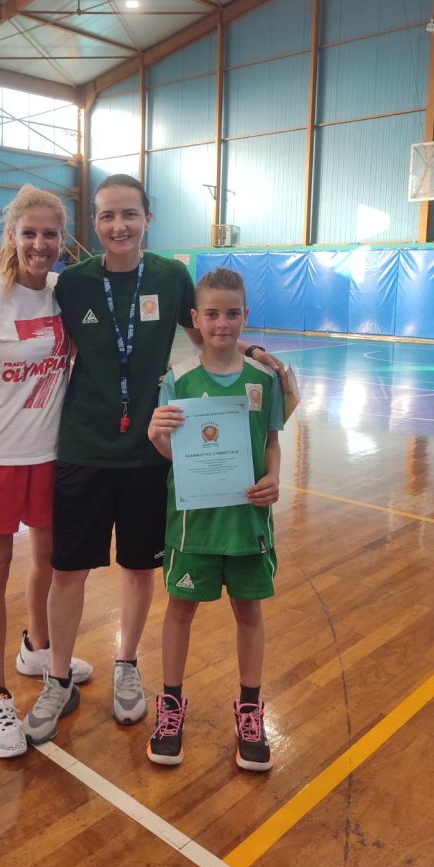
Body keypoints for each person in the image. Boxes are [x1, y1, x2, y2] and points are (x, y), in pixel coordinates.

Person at [22, 175, 286, 745]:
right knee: (68, 570)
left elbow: (208, 334)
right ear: (94, 222)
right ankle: (58, 678)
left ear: (147, 218)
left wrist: (255, 352)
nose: (118, 226)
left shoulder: (169, 277)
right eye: (107, 215)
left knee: (140, 568)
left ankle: (126, 664)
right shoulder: (74, 284)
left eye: (129, 214)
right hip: (84, 447)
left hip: (152, 452)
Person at [0, 184, 91, 759]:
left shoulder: (63, 294)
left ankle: (38, 648)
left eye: (49, 234)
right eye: (29, 233)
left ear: (63, 239)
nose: (39, 244)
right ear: (12, 236)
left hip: (52, 455)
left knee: (51, 562)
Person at [144, 267, 282, 770]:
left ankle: (250, 709)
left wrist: (274, 477)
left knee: (249, 613)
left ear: (245, 316)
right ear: (196, 319)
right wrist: (156, 436)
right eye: (212, 314)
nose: (222, 323)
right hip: (194, 526)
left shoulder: (264, 379)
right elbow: (172, 454)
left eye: (232, 313)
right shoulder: (177, 380)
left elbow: (271, 442)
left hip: (247, 523)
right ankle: (170, 706)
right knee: (180, 611)